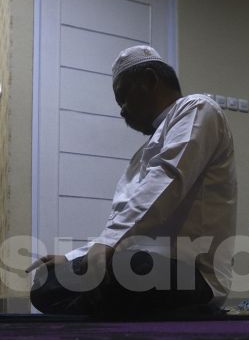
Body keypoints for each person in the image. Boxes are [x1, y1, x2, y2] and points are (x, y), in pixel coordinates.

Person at [28, 45, 237, 317]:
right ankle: (106, 309)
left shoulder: (197, 108)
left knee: (126, 269)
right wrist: (72, 258)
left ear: (150, 80)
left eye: (123, 97)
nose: (122, 111)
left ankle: (95, 312)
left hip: (192, 273)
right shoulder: (142, 153)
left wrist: (105, 247)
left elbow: (167, 181)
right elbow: (123, 222)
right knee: (47, 282)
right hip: (135, 264)